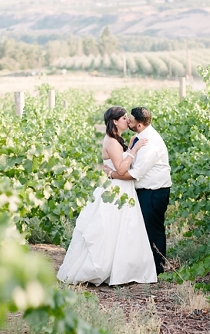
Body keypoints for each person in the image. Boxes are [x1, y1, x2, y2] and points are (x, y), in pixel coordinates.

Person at [56, 107, 157, 286]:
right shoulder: (111, 141)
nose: (128, 120)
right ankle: (103, 269)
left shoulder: (118, 139)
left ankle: (123, 270)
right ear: (115, 121)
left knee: (125, 229)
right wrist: (134, 151)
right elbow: (120, 168)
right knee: (111, 228)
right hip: (116, 190)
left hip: (123, 188)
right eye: (124, 117)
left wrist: (132, 145)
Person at [107, 107, 172, 274]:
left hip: (154, 192)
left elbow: (136, 172)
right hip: (145, 191)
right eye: (127, 118)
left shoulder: (150, 143)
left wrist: (113, 174)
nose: (128, 121)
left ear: (140, 125)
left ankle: (158, 268)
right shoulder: (137, 137)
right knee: (142, 229)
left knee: (153, 229)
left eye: (131, 120)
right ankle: (145, 266)